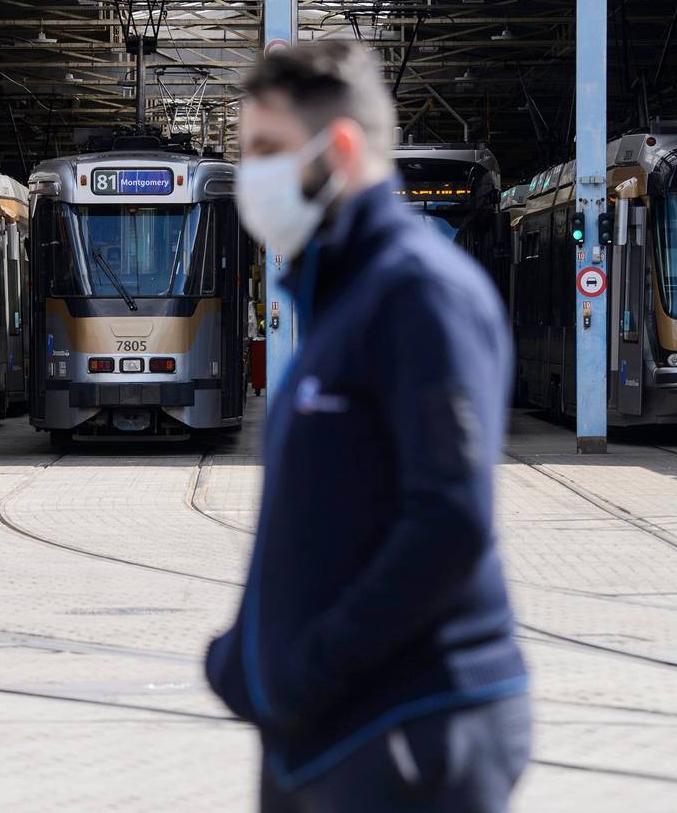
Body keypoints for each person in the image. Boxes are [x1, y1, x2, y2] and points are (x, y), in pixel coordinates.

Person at [205, 40, 530, 812]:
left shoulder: (420, 293)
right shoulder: (340, 298)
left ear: (340, 149)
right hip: (329, 729)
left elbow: (449, 522)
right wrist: (243, 655)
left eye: (267, 150)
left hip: (407, 730)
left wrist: (302, 667)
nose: (252, 176)